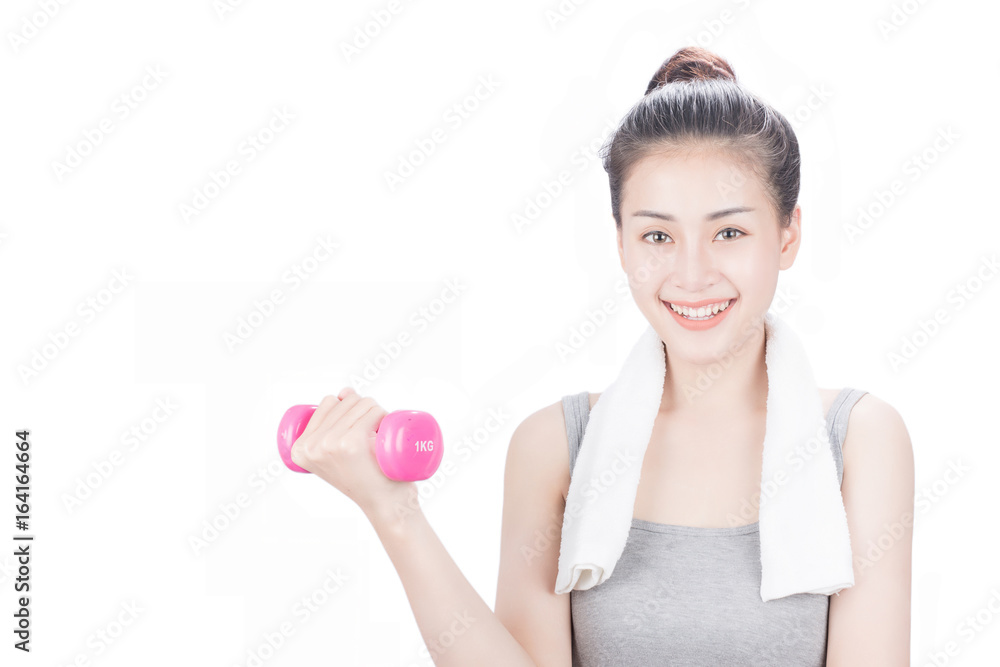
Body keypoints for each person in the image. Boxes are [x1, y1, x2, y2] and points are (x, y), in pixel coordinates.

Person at [289, 46, 914, 666]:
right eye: (657, 236)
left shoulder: (858, 441)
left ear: (788, 235)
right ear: (621, 244)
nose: (691, 274)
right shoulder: (557, 447)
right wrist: (395, 513)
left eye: (728, 232)